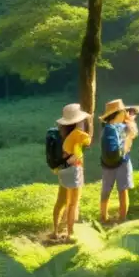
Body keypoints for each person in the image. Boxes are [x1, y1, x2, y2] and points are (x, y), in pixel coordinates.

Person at [98, 99, 139, 225]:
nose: (126, 113)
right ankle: (122, 220)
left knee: (106, 190)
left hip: (107, 164)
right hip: (123, 162)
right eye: (124, 111)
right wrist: (130, 124)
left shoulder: (107, 127)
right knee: (123, 190)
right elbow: (133, 134)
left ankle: (103, 217)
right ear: (118, 113)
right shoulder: (121, 127)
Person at [52, 102, 92, 241]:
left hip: (62, 170)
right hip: (74, 171)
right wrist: (84, 127)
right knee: (72, 203)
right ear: (77, 120)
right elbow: (88, 141)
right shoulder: (77, 133)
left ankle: (55, 230)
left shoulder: (61, 134)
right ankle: (70, 233)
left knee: (61, 201)